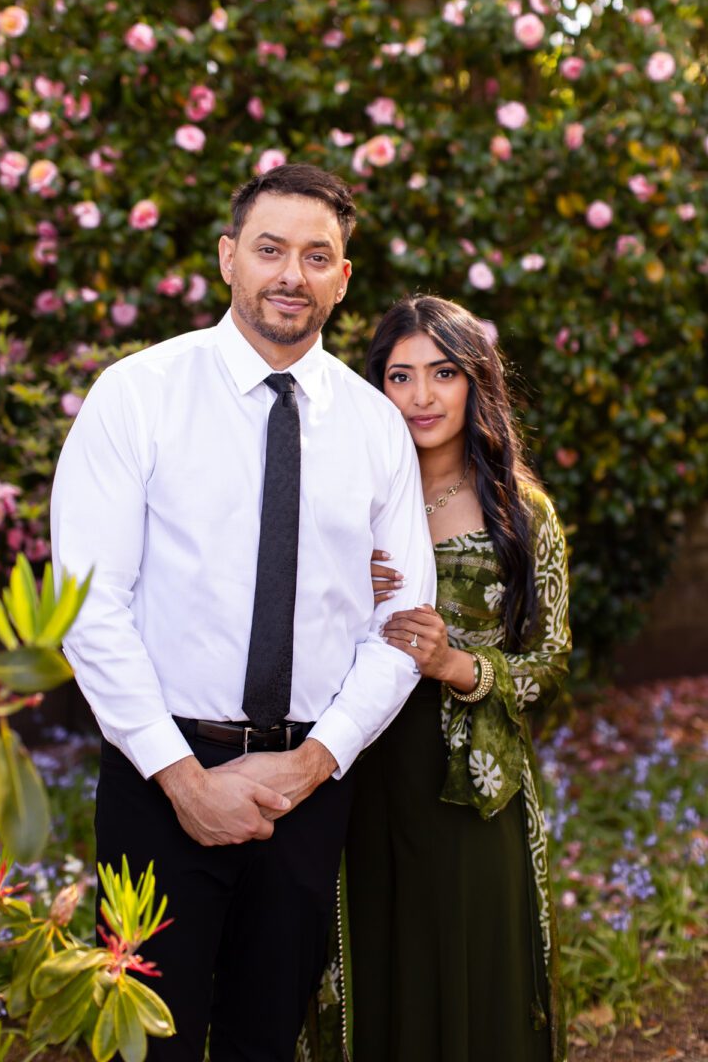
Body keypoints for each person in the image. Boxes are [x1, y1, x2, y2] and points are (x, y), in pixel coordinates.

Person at [50, 165, 437, 1062]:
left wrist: (314, 762)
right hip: (160, 780)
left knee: (269, 1039)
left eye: (316, 256)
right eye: (270, 250)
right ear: (229, 258)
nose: (290, 275)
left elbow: (403, 625)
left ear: (343, 277)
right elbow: (89, 608)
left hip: (308, 784)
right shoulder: (137, 395)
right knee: (149, 1046)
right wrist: (184, 779)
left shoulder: (377, 429)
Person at [340, 295, 571, 1062]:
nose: (421, 397)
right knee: (374, 962)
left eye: (442, 373)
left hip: (471, 786)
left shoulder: (522, 514)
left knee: (467, 976)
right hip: (355, 766)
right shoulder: (347, 503)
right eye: (399, 376)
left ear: (475, 382)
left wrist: (455, 664)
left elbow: (550, 665)